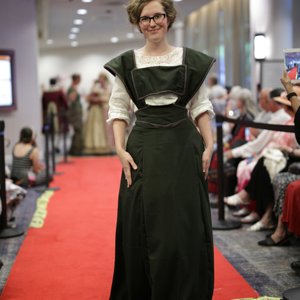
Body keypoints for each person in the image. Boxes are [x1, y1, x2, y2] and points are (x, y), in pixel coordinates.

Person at [104, 0, 215, 298]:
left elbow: (200, 106)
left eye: (158, 16)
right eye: (145, 18)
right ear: (137, 23)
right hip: (143, 149)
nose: (152, 23)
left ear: (169, 18)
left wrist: (210, 144)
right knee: (143, 222)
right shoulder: (127, 63)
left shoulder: (189, 59)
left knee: (184, 223)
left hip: (183, 146)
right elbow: (118, 110)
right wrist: (119, 148)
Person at [84, 72, 113, 154]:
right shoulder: (97, 86)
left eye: (102, 78)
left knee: (108, 128)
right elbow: (90, 97)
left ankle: (110, 146)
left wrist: (101, 99)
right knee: (100, 127)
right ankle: (99, 145)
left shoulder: (109, 86)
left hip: (107, 108)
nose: (100, 80)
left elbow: (108, 98)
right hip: (99, 109)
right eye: (100, 78)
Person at [41, 77, 68, 152]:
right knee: (58, 131)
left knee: (49, 132)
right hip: (58, 115)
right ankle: (56, 146)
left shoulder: (45, 93)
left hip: (48, 116)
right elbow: (65, 103)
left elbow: (43, 105)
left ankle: (51, 146)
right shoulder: (59, 92)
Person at [67, 73, 83, 156]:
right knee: (78, 130)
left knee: (77, 131)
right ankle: (76, 150)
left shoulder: (73, 88)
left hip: (76, 111)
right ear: (76, 79)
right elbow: (72, 99)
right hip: (75, 113)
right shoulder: (72, 88)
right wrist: (75, 92)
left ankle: (73, 149)